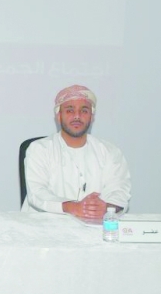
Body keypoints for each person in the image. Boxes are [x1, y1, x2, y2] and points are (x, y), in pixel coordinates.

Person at [21, 84, 130, 223]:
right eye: (70, 110)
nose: (77, 116)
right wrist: (73, 207)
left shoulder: (110, 152)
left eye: (84, 111)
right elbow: (37, 193)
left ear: (92, 117)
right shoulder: (39, 149)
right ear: (58, 116)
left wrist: (106, 208)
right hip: (43, 229)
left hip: (94, 230)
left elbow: (119, 190)